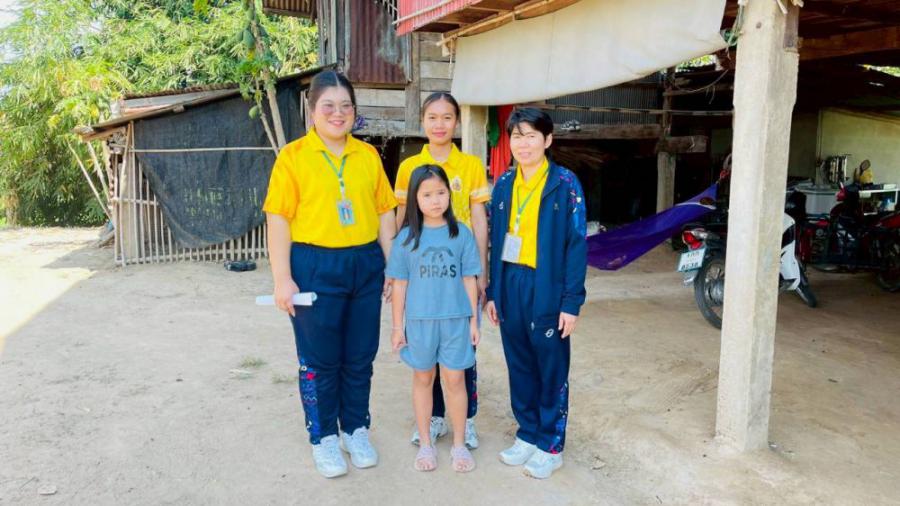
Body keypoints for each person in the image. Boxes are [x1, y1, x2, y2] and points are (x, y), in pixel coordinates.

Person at [262, 70, 397, 478]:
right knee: (320, 358)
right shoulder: (293, 157)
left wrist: (392, 264)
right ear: (312, 110)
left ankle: (355, 429)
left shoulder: (367, 156)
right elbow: (278, 219)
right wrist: (282, 278)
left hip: (365, 264)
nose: (338, 113)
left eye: (345, 106)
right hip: (313, 265)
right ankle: (323, 437)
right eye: (329, 106)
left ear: (354, 111)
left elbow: (384, 212)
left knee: (360, 354)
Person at [484, 107, 587, 479]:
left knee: (550, 366)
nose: (523, 144)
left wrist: (571, 302)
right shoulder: (504, 184)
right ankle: (527, 433)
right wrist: (493, 292)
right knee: (519, 362)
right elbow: (497, 241)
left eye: (531, 136)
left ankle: (550, 445)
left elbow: (576, 245)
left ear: (547, 140)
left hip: (547, 285)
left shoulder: (565, 184)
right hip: (511, 282)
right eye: (517, 136)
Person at [393, 92, 490, 449]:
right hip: (423, 275)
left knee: (462, 353)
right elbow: (401, 219)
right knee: (425, 355)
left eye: (447, 117)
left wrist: (482, 272)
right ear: (422, 121)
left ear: (457, 122)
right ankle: (433, 418)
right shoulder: (409, 167)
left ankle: (467, 420)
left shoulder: (471, 165)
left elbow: (479, 218)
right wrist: (394, 268)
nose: (439, 124)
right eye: (432, 117)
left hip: (461, 272)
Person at [387, 165, 481, 472]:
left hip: (455, 321)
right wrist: (397, 327)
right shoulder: (406, 239)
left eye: (441, 192)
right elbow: (400, 285)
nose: (435, 200)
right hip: (420, 322)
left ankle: (459, 445)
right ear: (415, 198)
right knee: (423, 378)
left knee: (455, 380)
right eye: (427, 195)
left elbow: (469, 279)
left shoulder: (461, 233)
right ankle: (426, 443)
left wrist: (473, 322)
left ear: (449, 194)